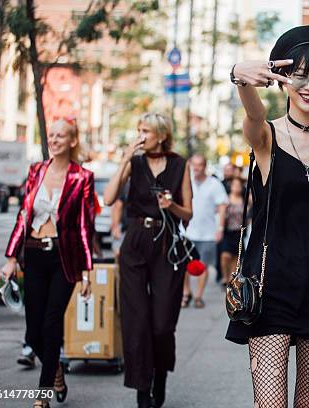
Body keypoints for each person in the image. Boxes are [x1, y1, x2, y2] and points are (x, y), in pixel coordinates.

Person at [225, 25, 309, 407]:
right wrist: (241, 77)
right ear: (284, 80)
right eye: (300, 75)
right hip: (272, 286)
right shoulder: (266, 136)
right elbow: (252, 113)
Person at [2, 117, 95, 408]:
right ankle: (54, 368)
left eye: (60, 136)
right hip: (33, 254)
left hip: (62, 258)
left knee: (52, 323)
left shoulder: (82, 176)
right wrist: (10, 258)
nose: (54, 140)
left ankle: (42, 394)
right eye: (51, 135)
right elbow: (23, 217)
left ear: (72, 141)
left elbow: (84, 227)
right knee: (33, 330)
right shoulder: (35, 171)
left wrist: (87, 271)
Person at [103, 112, 193, 408]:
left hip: (166, 242)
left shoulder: (180, 164)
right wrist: (125, 158)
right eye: (138, 129)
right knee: (137, 320)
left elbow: (188, 214)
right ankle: (143, 390)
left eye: (146, 130)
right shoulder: (135, 162)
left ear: (161, 134)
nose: (140, 135)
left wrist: (172, 206)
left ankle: (160, 376)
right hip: (135, 242)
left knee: (162, 323)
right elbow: (108, 198)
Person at [182, 154, 228, 308]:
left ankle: (199, 296)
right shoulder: (186, 182)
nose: (196, 168)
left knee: (203, 266)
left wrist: (220, 228)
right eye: (193, 165)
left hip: (207, 233)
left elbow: (222, 206)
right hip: (187, 232)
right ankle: (186, 293)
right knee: (185, 266)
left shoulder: (214, 184)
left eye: (199, 165)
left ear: (205, 166)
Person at [219, 176, 247, 287]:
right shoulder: (226, 199)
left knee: (236, 257)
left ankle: (231, 280)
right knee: (225, 256)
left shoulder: (244, 199)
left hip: (239, 233)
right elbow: (220, 212)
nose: (236, 187)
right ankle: (225, 277)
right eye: (234, 185)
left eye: (238, 185)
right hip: (228, 231)